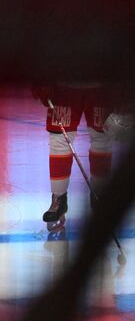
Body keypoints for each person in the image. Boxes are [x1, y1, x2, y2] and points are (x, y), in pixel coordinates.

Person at [34, 82, 112, 232]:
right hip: (64, 81)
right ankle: (59, 198)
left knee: (102, 137)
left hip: (101, 80)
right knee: (59, 139)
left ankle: (99, 195)